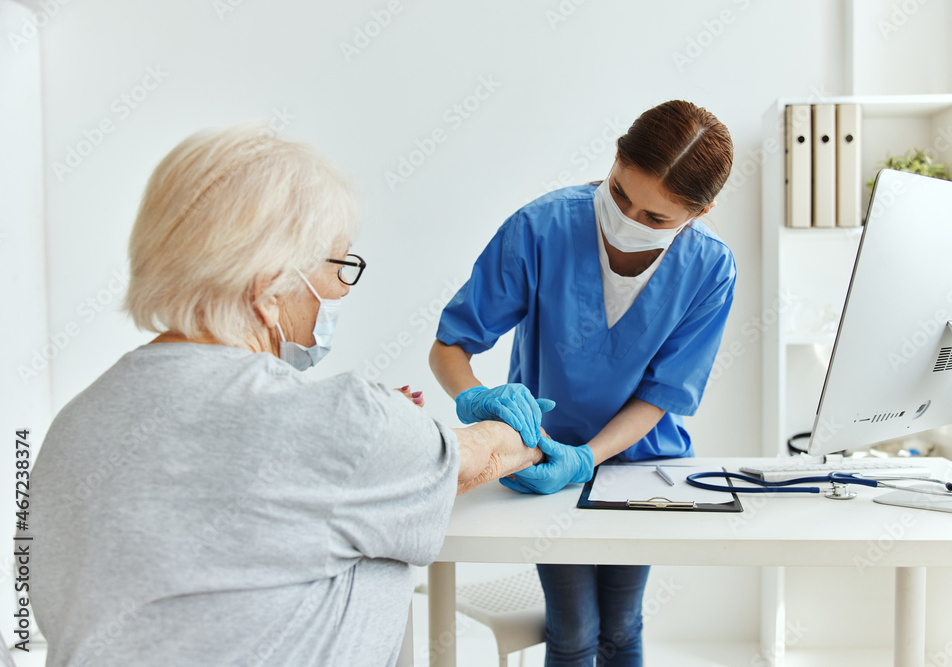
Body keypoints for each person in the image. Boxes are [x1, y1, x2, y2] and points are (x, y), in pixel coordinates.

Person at [30, 125, 548, 667]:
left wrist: (377, 440)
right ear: (269, 283)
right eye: (340, 264)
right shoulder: (340, 421)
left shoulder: (73, 424)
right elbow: (477, 459)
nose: (344, 288)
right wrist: (520, 429)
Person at [429, 100, 736, 666]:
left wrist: (588, 457)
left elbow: (663, 395)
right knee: (573, 632)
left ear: (701, 211)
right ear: (616, 157)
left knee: (621, 628)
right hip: (543, 458)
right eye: (620, 194)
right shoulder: (540, 228)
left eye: (656, 218)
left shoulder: (710, 268)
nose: (627, 218)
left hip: (638, 463)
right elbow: (451, 346)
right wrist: (473, 396)